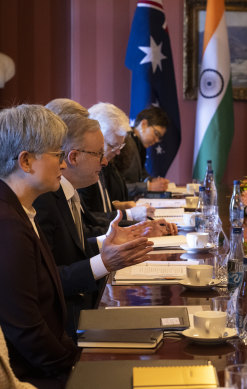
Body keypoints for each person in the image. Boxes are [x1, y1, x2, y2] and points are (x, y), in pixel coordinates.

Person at [33, 113, 160, 339]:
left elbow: (76, 248)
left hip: (89, 307)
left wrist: (108, 243)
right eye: (99, 154)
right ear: (73, 157)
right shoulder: (44, 200)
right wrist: (104, 261)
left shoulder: (68, 192)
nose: (105, 161)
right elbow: (46, 279)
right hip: (66, 328)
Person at [0, 104, 79, 388]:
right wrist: (74, 362)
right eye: (57, 154)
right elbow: (26, 330)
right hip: (32, 377)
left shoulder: (21, 210)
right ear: (25, 162)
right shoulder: (7, 225)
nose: (63, 164)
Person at [79, 102, 154, 221]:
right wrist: (128, 214)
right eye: (113, 146)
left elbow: (101, 208)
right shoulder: (81, 171)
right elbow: (88, 222)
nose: (118, 152)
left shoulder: (106, 164)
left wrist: (119, 207)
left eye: (120, 146)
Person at [114, 106, 170, 199]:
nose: (156, 140)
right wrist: (149, 187)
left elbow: (141, 175)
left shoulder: (138, 144)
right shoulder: (125, 143)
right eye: (156, 134)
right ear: (143, 124)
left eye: (159, 138)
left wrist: (153, 181)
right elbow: (117, 187)